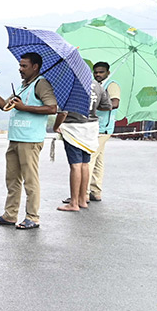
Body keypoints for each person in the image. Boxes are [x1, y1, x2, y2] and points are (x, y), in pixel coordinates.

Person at [0, 52, 58, 230]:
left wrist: (25, 107)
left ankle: (32, 217)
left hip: (30, 140)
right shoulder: (24, 86)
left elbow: (52, 108)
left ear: (35, 67)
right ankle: (10, 214)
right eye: (20, 66)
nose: (20, 69)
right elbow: (4, 106)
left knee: (30, 180)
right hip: (15, 138)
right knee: (12, 179)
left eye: (24, 66)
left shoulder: (41, 83)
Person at [54, 79, 106, 212]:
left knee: (75, 165)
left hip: (74, 128)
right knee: (84, 164)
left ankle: (74, 203)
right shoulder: (97, 85)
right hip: (91, 127)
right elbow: (107, 105)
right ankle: (83, 199)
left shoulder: (71, 85)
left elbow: (63, 112)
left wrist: (56, 126)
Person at [89, 62, 121, 201]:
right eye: (96, 72)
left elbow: (114, 104)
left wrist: (95, 106)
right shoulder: (96, 86)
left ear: (108, 72)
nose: (98, 75)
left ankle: (82, 194)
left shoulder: (112, 85)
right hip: (95, 126)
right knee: (98, 161)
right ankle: (96, 191)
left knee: (89, 159)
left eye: (101, 72)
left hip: (103, 128)